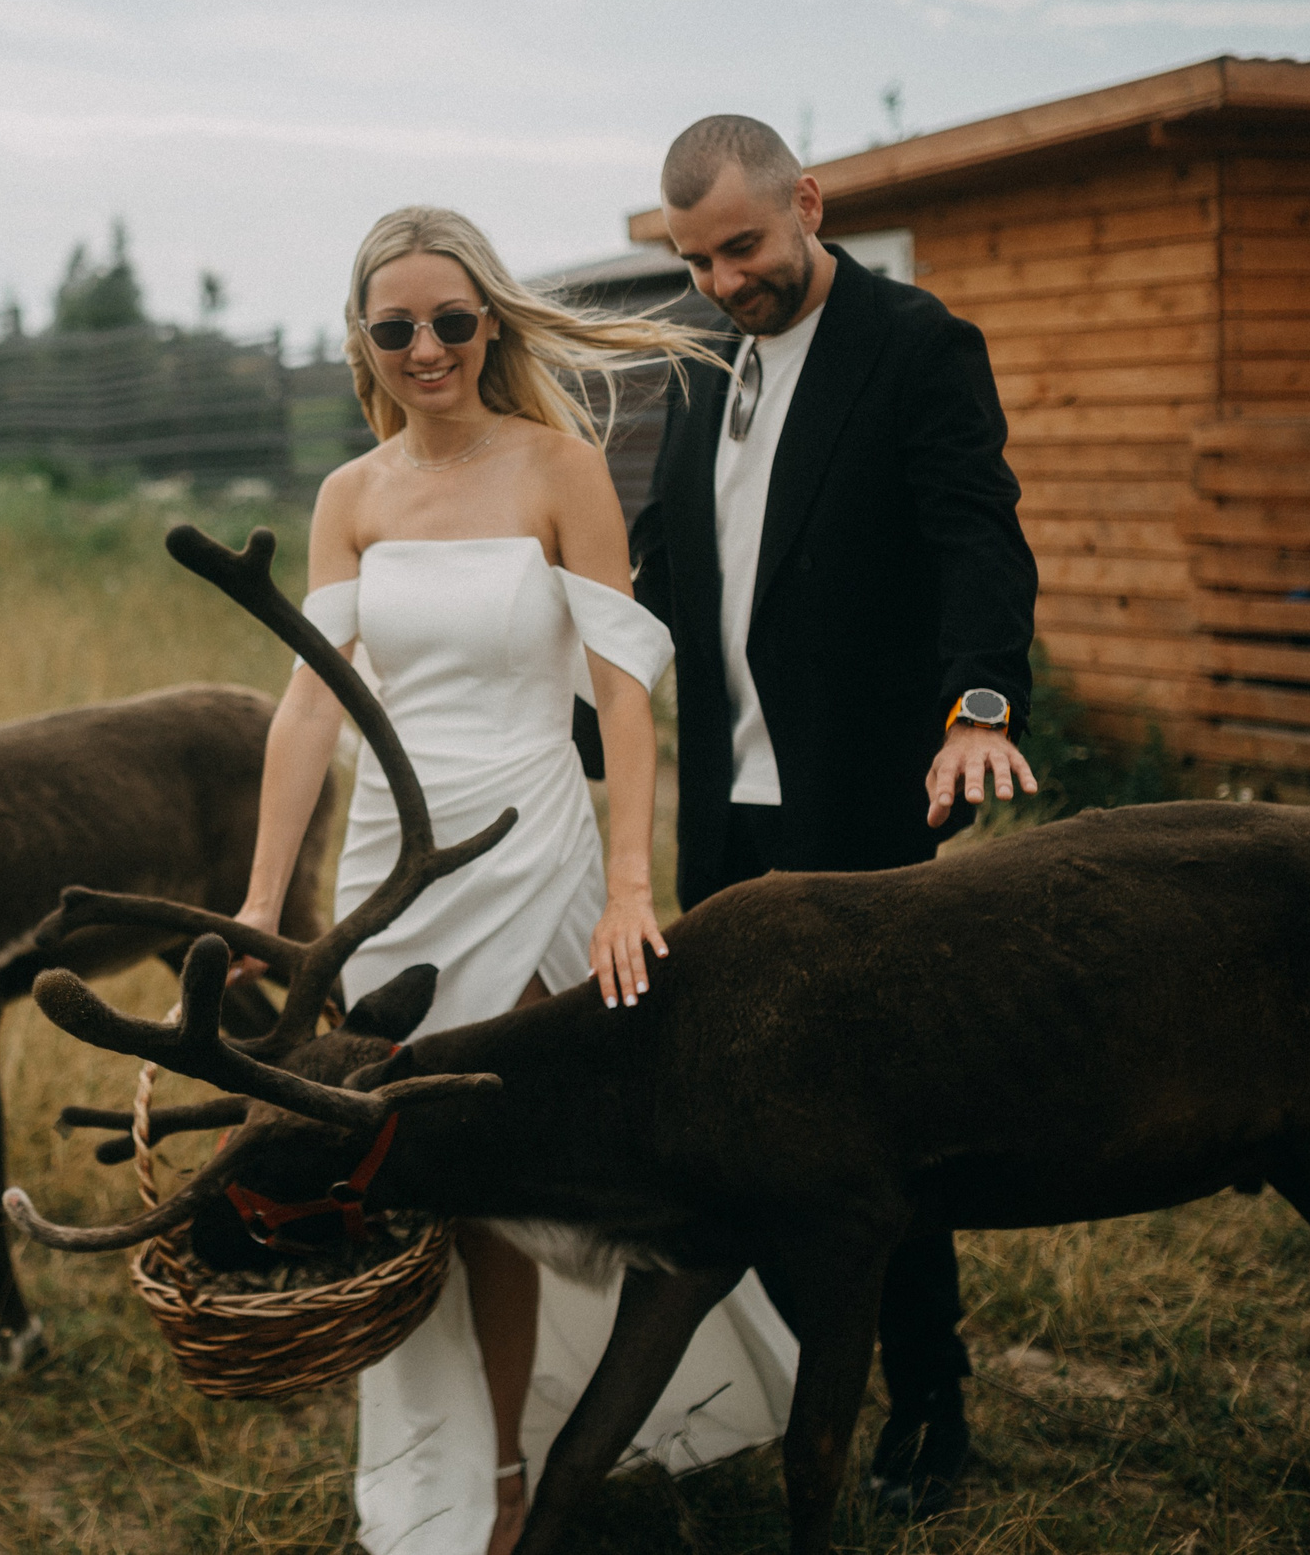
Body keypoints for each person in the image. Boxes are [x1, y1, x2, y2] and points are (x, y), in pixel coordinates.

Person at [230, 206, 797, 1555]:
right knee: (394, 1168)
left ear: (491, 321)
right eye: (396, 328)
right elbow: (312, 707)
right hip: (390, 871)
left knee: (501, 1167)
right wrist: (262, 902)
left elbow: (623, 692)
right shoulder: (350, 497)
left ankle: (504, 1483)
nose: (427, 349)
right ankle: (443, 1460)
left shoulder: (561, 470)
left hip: (529, 840)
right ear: (364, 343)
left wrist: (627, 887)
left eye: (452, 321)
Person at [629, 115, 1041, 1516]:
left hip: (857, 804)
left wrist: (978, 703)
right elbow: (660, 573)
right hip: (724, 821)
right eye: (696, 261)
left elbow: (975, 528)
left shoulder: (916, 345)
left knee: (875, 1125)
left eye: (743, 246)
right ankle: (788, 1379)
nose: (725, 280)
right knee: (750, 1119)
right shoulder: (701, 373)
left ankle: (928, 1400)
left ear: (807, 203)